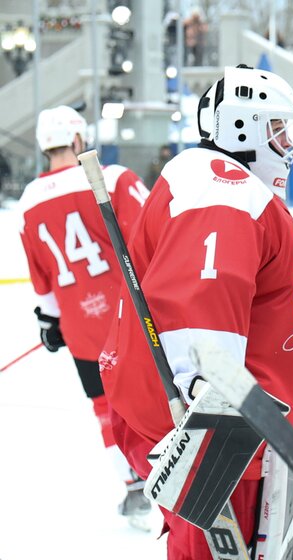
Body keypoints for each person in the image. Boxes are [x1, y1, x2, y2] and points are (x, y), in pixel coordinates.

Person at [99, 65, 293, 559]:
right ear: (243, 127)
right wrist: (207, 405)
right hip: (217, 447)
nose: (287, 144)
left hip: (234, 440)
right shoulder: (224, 186)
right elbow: (199, 303)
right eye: (277, 129)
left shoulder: (220, 184)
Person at [16, 105, 152, 526]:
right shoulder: (112, 178)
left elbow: (42, 278)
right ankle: (171, 479)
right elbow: (153, 238)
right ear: (78, 141)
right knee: (155, 399)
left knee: (104, 409)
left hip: (81, 328)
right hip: (133, 319)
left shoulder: (28, 201)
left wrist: (49, 320)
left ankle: (133, 489)